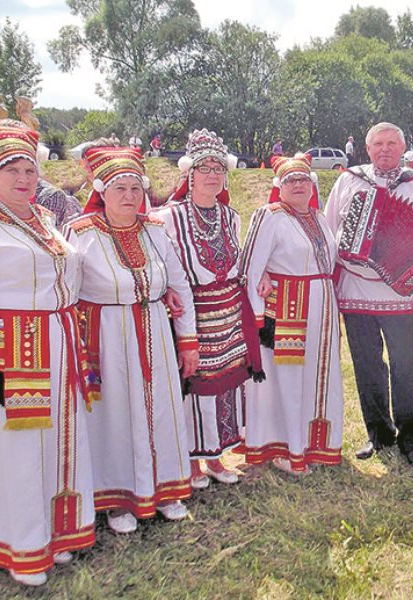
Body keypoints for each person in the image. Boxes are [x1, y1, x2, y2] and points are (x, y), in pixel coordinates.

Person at [0, 121, 95, 586]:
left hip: (59, 346)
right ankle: (19, 546)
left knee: (56, 445)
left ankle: (56, 533)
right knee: (13, 450)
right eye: (12, 169)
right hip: (6, 353)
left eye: (30, 169)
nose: (24, 178)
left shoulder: (45, 221)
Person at [66, 146, 199, 534]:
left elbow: (179, 285)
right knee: (116, 413)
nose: (129, 196)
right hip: (107, 336)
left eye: (135, 189)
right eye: (119, 188)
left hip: (155, 325)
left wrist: (187, 339)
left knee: (162, 408)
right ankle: (117, 498)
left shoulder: (155, 229)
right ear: (101, 191)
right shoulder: (81, 233)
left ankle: (166, 489)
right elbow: (66, 291)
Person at [324, 122, 413, 468]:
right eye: (378, 144)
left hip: (399, 292)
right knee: (367, 366)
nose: (385, 149)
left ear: (403, 147)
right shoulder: (349, 180)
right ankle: (379, 435)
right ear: (367, 147)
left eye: (392, 143)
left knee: (405, 366)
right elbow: (330, 230)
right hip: (355, 288)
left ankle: (411, 441)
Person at [157, 129, 264, 487]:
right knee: (194, 383)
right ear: (190, 174)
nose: (213, 174)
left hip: (229, 312)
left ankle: (216, 456)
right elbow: (162, 266)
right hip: (194, 313)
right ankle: (190, 460)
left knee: (227, 384)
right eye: (205, 168)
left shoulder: (230, 215)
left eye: (219, 168)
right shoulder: (168, 217)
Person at [241, 155, 343, 475]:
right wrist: (257, 320)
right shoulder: (269, 215)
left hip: (322, 307)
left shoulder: (319, 216)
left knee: (317, 375)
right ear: (279, 187)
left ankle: (316, 444)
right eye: (290, 181)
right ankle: (286, 448)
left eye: (303, 180)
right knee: (286, 379)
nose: (298, 185)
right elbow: (250, 268)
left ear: (313, 185)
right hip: (286, 310)